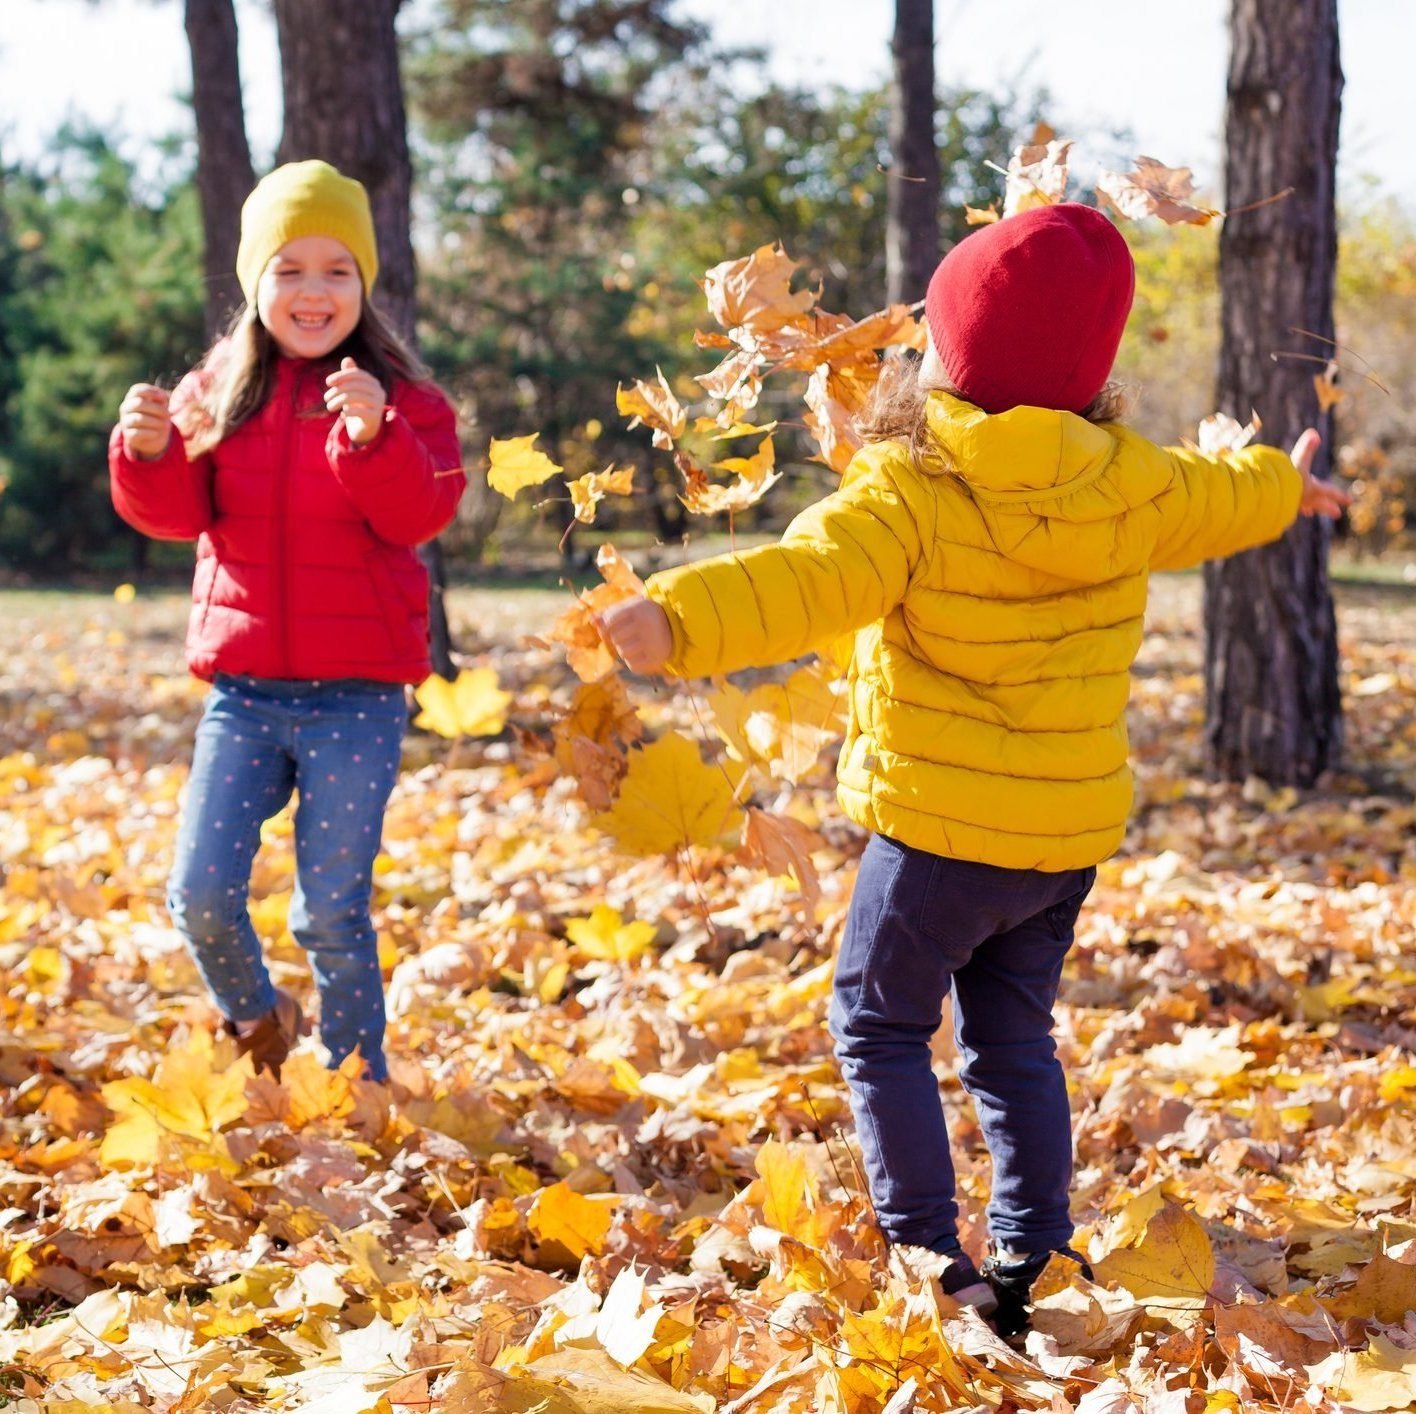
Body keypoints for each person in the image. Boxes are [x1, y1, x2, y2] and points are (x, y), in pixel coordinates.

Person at [600, 203, 1348, 1333]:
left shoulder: (915, 487)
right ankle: (1035, 1254)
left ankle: (925, 1258)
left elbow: (809, 577)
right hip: (1060, 846)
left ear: (946, 353)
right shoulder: (1135, 480)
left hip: (939, 837)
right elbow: (1221, 494)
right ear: (1092, 372)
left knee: (878, 1021)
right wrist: (1286, 486)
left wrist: (677, 621)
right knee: (1011, 1040)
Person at [110, 161, 465, 1084]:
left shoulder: (406, 401)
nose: (313, 291)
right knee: (199, 894)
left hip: (358, 698)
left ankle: (354, 1083)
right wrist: (146, 453)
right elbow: (172, 514)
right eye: (290, 269)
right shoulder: (215, 392)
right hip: (245, 694)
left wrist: (375, 439)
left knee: (329, 911)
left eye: (337, 270)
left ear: (365, 283)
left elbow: (418, 517)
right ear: (254, 280)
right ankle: (258, 1022)